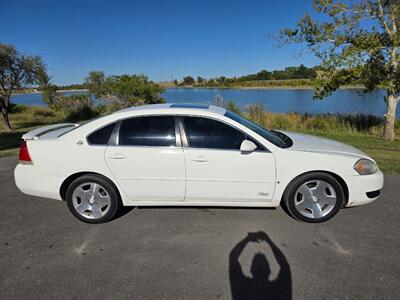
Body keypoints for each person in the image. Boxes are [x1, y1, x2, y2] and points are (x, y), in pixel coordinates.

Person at [229, 231, 292, 300]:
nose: (260, 269)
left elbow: (233, 258)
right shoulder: (277, 290)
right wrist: (269, 242)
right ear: (269, 270)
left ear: (251, 270)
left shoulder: (243, 288)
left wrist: (247, 239)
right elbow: (285, 266)